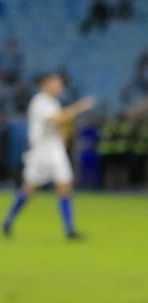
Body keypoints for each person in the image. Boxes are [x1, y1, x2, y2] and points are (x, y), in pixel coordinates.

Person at [2, 73, 94, 239]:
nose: (59, 87)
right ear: (46, 85)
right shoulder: (40, 102)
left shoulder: (54, 103)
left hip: (55, 150)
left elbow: (61, 125)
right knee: (29, 189)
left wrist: (63, 139)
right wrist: (79, 107)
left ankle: (70, 230)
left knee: (65, 186)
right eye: (56, 84)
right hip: (40, 152)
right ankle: (8, 221)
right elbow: (56, 119)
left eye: (60, 84)